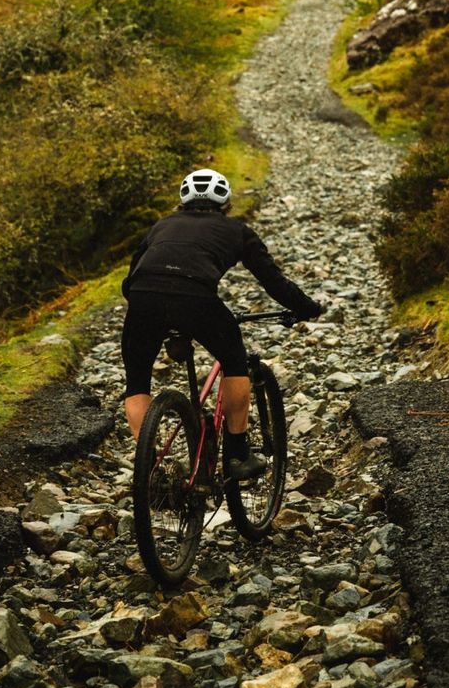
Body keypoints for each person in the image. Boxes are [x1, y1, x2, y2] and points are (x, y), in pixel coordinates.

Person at [120, 167, 324, 480]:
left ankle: (150, 472)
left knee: (137, 382)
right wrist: (307, 308)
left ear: (183, 201)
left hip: (143, 297)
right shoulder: (237, 230)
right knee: (234, 362)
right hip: (196, 298)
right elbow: (274, 282)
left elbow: (129, 280)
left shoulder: (161, 225)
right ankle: (238, 455)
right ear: (225, 201)